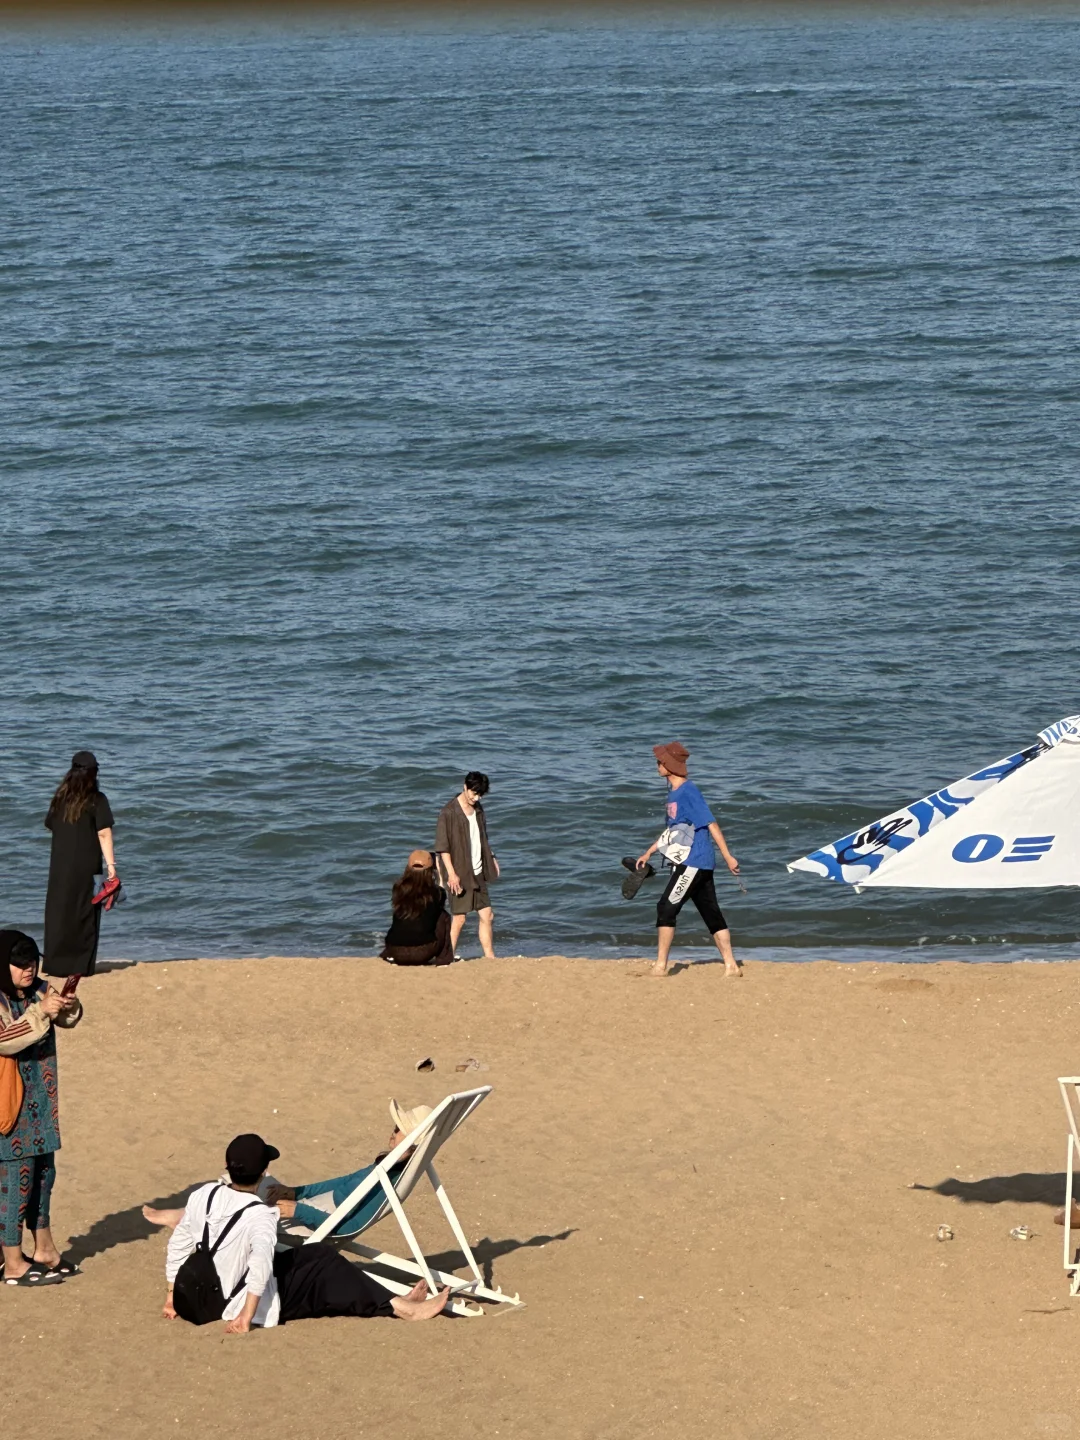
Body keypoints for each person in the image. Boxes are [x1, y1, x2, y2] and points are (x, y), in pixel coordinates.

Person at [156, 1131, 448, 1330]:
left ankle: (393, 1301)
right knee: (324, 1263)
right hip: (229, 1304)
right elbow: (259, 1265)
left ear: (226, 1166)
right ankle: (402, 1308)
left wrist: (172, 1297)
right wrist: (246, 1317)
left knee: (314, 1260)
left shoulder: (203, 1194)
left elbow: (178, 1244)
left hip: (192, 1299)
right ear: (263, 1173)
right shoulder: (261, 1214)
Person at [146, 1102, 432, 1242]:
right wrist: (297, 1193)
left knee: (248, 1202)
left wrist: (298, 1211)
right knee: (265, 1184)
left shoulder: (384, 1178)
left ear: (408, 1141)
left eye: (398, 1129)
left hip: (319, 1222)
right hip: (315, 1206)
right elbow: (343, 1183)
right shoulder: (389, 1167)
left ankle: (189, 1217)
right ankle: (189, 1213)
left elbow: (345, 1227)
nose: (391, 1132)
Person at [0, 930, 83, 1285]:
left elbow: (63, 1020)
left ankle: (45, 1248)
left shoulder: (38, 989)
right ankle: (13, 1261)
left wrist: (67, 1006)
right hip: (11, 1107)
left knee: (43, 1177)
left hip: (43, 1103)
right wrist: (40, 1011)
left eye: (32, 962)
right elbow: (6, 1041)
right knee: (14, 1182)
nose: (28, 970)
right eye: (19, 964)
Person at [636, 742, 742, 979]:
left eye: (660, 762)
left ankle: (660, 967)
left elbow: (711, 823)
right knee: (711, 913)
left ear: (669, 766)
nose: (657, 765)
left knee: (666, 907)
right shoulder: (673, 793)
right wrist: (648, 852)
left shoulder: (688, 791)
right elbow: (673, 832)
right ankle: (732, 966)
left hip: (693, 863)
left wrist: (727, 856)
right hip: (696, 864)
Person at [42, 751, 119, 979]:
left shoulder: (59, 798)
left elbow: (50, 825)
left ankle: (55, 964)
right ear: (93, 773)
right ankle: (80, 965)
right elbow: (104, 833)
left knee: (59, 911)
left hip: (60, 864)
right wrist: (111, 867)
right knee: (85, 912)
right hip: (86, 864)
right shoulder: (97, 799)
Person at [435, 771, 500, 960]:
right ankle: (447, 956)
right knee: (459, 918)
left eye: (480, 794)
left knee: (487, 915)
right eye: (474, 793)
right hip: (459, 872)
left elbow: (482, 837)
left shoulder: (478, 809)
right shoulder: (448, 812)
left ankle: (489, 957)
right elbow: (442, 848)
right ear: (465, 787)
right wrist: (451, 874)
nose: (476, 798)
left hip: (478, 870)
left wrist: (492, 857)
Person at [381, 852, 454, 966]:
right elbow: (436, 915)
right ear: (431, 870)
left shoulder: (398, 888)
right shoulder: (437, 892)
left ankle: (386, 953)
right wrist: (439, 875)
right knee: (443, 916)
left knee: (403, 914)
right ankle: (444, 958)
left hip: (395, 951)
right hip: (423, 952)